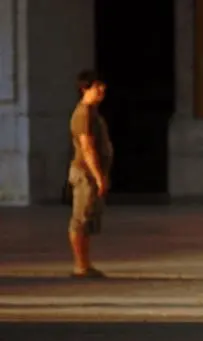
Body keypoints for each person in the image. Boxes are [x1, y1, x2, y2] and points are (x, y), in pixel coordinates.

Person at [68, 70, 113, 278]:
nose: (102, 89)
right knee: (81, 219)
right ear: (84, 89)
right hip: (85, 173)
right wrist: (98, 176)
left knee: (89, 219)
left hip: (91, 173)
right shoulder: (83, 114)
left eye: (102, 85)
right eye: (97, 86)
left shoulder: (93, 112)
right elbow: (87, 148)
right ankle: (80, 265)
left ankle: (85, 263)